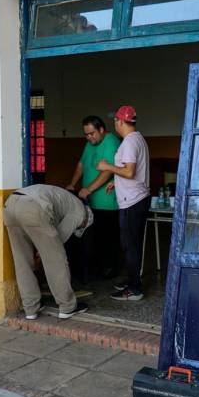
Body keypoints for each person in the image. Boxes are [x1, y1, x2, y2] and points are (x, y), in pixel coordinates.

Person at [3, 184, 92, 319]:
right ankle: (67, 307)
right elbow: (59, 238)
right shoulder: (80, 212)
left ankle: (30, 308)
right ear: (86, 220)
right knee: (56, 259)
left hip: (10, 205)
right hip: (33, 207)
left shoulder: (65, 200)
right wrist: (43, 250)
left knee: (22, 261)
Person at [96, 105, 150, 301]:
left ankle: (134, 289)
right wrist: (114, 181)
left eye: (115, 121)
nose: (114, 124)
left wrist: (107, 167)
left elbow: (129, 171)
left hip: (132, 202)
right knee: (132, 245)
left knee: (130, 246)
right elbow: (130, 172)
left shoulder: (128, 142)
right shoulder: (138, 138)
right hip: (137, 198)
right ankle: (133, 280)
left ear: (120, 122)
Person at [66, 115, 121, 280]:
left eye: (92, 133)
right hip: (90, 201)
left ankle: (111, 268)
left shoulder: (111, 141)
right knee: (94, 238)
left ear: (101, 130)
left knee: (108, 237)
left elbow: (108, 171)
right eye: (86, 134)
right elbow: (82, 164)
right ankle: (96, 268)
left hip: (107, 201)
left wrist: (88, 189)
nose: (89, 137)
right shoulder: (90, 143)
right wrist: (72, 183)